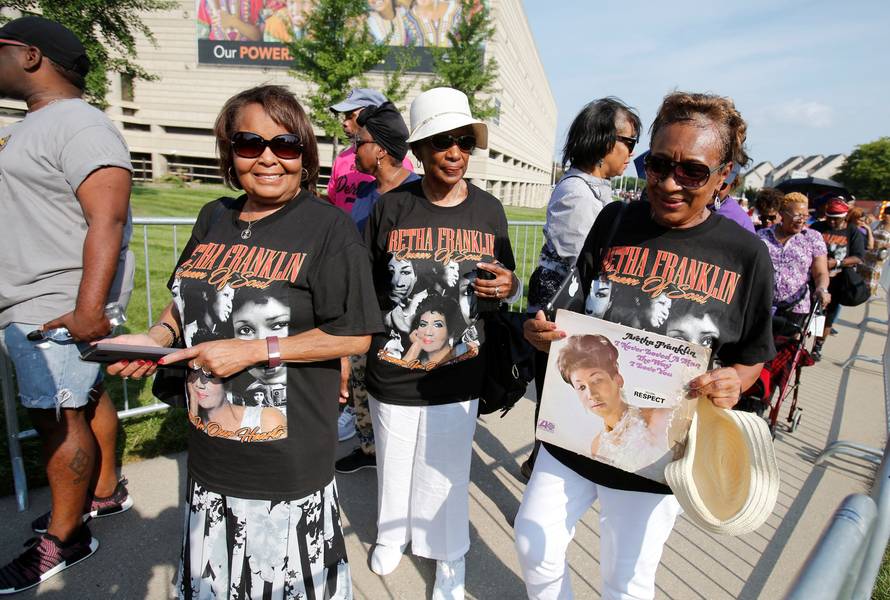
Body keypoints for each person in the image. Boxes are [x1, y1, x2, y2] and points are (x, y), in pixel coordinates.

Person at [105, 85, 382, 598]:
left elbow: (357, 333)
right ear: (230, 153)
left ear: (305, 154)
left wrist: (255, 350)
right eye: (250, 143)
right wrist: (157, 335)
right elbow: (183, 299)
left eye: (287, 144)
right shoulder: (214, 217)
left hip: (286, 461)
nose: (269, 158)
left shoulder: (329, 230)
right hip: (211, 449)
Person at [518, 91, 775, 600]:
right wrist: (543, 333)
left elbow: (753, 355)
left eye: (693, 173)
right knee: (534, 542)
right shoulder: (614, 220)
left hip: (657, 450)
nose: (670, 183)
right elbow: (566, 313)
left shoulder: (745, 254)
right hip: (576, 427)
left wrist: (733, 380)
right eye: (658, 165)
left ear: (724, 176)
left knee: (626, 578)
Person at [362, 87, 520, 599]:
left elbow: (505, 277)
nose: (455, 153)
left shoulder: (489, 211)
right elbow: (366, 284)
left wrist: (509, 286)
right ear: (421, 150)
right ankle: (392, 533)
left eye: (463, 142)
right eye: (442, 143)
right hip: (393, 364)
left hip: (460, 366)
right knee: (394, 457)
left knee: (447, 469)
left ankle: (449, 554)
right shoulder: (391, 208)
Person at [0, 17, 135, 593]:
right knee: (85, 397)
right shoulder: (44, 123)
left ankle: (68, 534)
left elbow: (106, 216)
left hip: (54, 300)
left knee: (57, 418)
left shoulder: (78, 124)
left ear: (31, 56)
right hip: (48, 296)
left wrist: (88, 309)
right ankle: (102, 494)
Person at [525, 97, 641, 478]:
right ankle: (545, 472)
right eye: (629, 141)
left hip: (574, 318)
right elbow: (589, 262)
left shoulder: (595, 189)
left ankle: (546, 464)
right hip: (562, 318)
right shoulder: (577, 192)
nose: (631, 153)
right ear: (605, 140)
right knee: (558, 404)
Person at [337, 101, 419, 474]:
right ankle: (369, 450)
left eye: (361, 142)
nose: (355, 149)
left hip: (407, 318)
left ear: (381, 149)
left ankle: (403, 459)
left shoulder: (419, 194)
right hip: (363, 312)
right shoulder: (364, 196)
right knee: (359, 382)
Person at [556, 335, 676, 480]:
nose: (591, 394)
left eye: (597, 380)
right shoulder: (597, 445)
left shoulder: (661, 418)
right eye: (581, 387)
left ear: (618, 379)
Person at [327, 88, 414, 213]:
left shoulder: (399, 164)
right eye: (344, 116)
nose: (344, 122)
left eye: (351, 116)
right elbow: (332, 202)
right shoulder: (341, 159)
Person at [757, 192, 831, 330]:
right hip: (761, 306)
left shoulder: (813, 238)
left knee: (787, 350)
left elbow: (821, 272)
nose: (801, 220)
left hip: (796, 308)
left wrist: (822, 288)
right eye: (797, 215)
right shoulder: (762, 236)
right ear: (782, 214)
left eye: (805, 216)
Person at [810, 198, 865, 361]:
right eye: (829, 217)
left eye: (836, 218)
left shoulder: (852, 231)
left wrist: (838, 263)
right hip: (813, 279)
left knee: (827, 316)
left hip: (837, 281)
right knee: (810, 313)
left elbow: (859, 257)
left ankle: (817, 346)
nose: (832, 222)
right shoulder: (818, 227)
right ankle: (800, 343)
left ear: (845, 217)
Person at [187, 370, 286, 435]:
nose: (199, 385)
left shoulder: (266, 419)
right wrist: (193, 404)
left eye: (209, 376)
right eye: (194, 373)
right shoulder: (198, 421)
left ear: (227, 384)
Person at [196, 0, 263, 41]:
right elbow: (201, 38)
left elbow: (260, 36)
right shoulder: (206, 2)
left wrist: (233, 22)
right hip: (216, 55)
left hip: (248, 55)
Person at [862, 206, 890, 295]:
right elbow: (868, 234)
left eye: (889, 214)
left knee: (873, 273)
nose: (887, 215)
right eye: (886, 213)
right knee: (864, 271)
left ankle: (869, 292)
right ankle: (861, 292)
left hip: (880, 255)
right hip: (869, 253)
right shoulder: (876, 223)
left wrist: (885, 245)